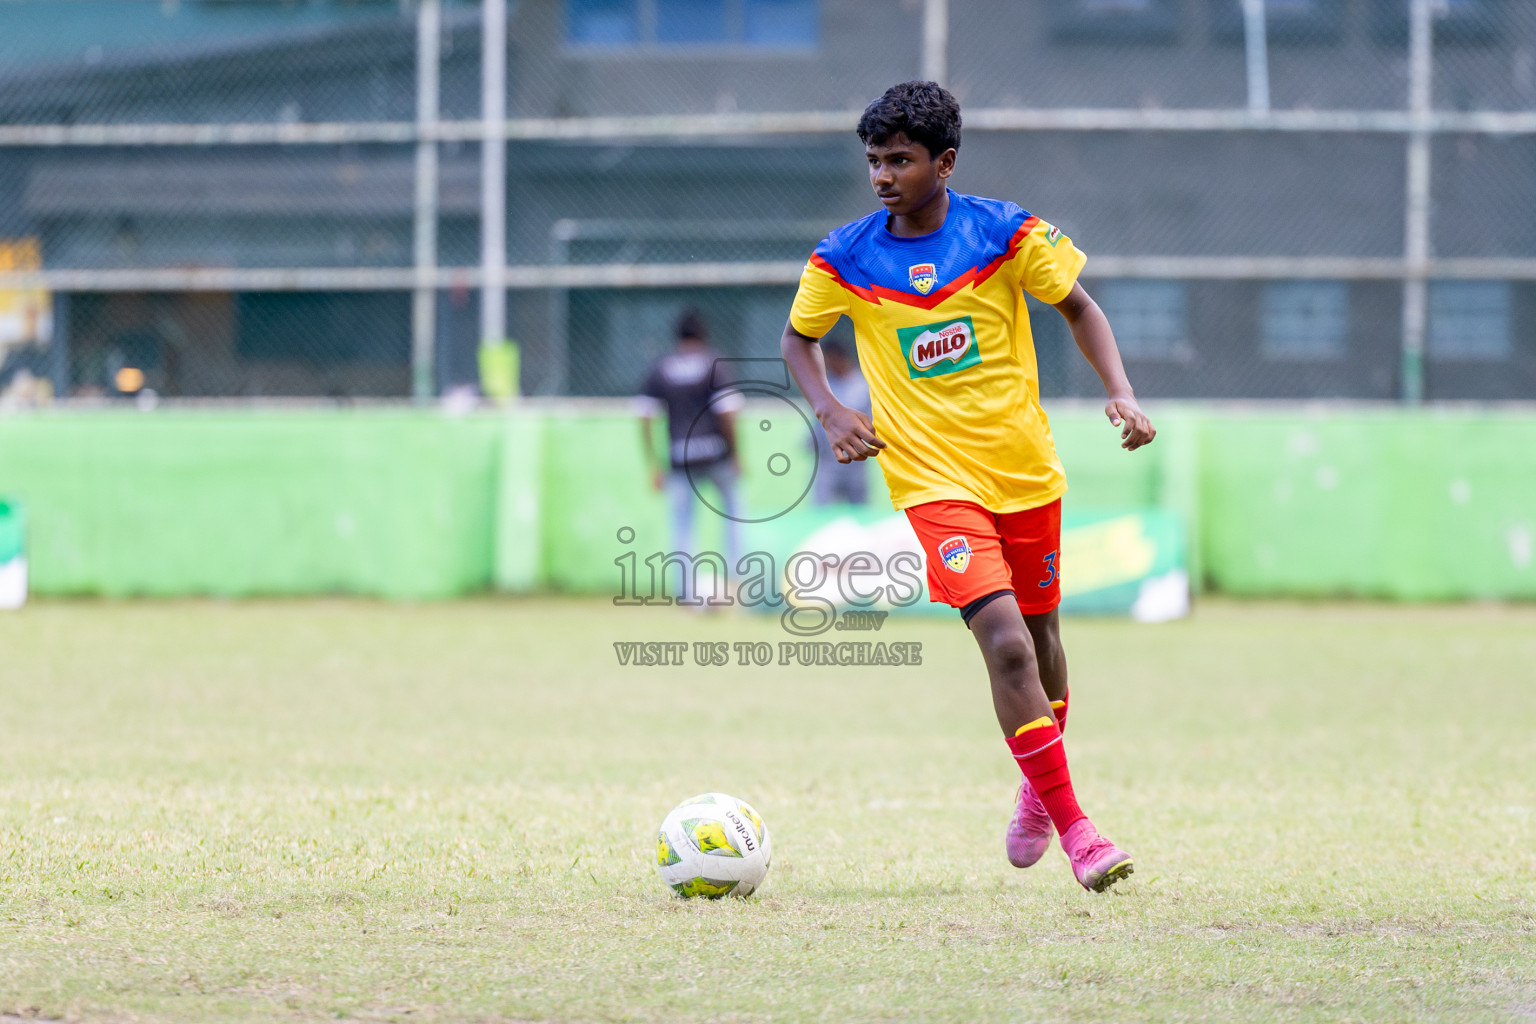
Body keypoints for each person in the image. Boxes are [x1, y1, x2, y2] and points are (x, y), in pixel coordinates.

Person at [779, 81, 1156, 892]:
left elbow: (1081, 308)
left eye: (901, 160)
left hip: (1023, 471)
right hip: (930, 480)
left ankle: (1037, 789)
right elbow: (798, 339)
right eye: (874, 161)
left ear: (944, 162)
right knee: (1007, 641)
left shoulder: (1006, 231)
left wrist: (1119, 388)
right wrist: (829, 411)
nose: (883, 175)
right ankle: (1079, 830)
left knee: (1046, 636)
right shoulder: (842, 255)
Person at [637, 310, 744, 599]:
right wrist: (736, 454)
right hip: (717, 454)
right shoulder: (714, 363)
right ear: (703, 336)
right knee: (734, 515)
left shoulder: (661, 367)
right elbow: (727, 413)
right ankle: (738, 584)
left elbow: (645, 417)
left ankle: (687, 592)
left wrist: (654, 463)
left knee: (682, 525)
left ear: (677, 337)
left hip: (679, 457)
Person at [811, 337, 872, 506]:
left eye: (831, 359)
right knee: (821, 505)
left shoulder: (862, 385)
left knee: (859, 507)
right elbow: (817, 417)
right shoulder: (826, 383)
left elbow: (870, 419)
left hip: (856, 457)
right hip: (828, 458)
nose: (829, 364)